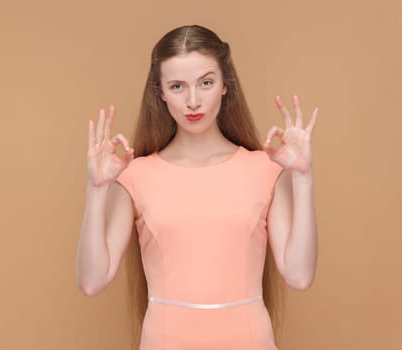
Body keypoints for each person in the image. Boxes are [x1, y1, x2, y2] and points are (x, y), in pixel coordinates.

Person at [76, 24, 318, 350]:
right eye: (177, 86)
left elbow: (299, 276)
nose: (193, 101)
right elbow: (92, 281)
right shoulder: (134, 175)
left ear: (223, 85)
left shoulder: (265, 169)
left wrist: (302, 178)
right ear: (159, 92)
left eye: (205, 83)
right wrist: (96, 189)